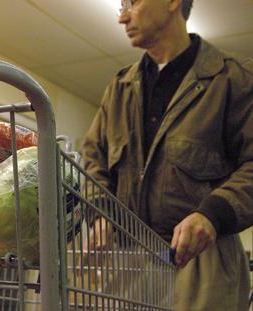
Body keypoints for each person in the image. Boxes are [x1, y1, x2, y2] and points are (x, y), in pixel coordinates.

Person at [81, 0, 252, 309]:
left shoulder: (232, 79)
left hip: (203, 264)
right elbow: (95, 158)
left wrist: (212, 214)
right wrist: (101, 212)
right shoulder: (118, 90)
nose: (122, 17)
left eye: (131, 3)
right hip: (128, 261)